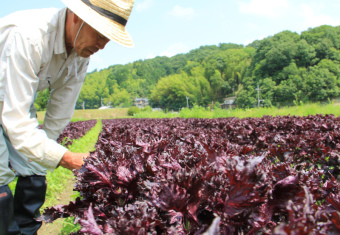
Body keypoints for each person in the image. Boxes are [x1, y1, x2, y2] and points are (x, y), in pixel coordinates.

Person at [0, 0, 135, 234]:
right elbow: (17, 122)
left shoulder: (81, 54)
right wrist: (66, 158)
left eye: (108, 38)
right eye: (100, 34)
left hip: (15, 97)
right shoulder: (29, 36)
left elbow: (59, 113)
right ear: (75, 16)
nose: (102, 45)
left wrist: (43, 155)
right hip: (10, 95)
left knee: (35, 165)